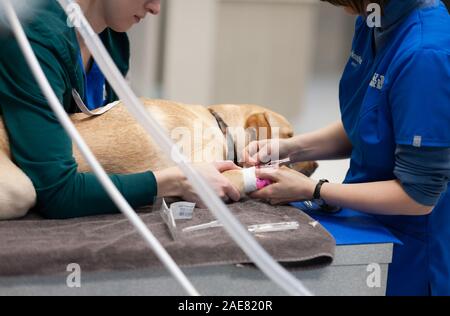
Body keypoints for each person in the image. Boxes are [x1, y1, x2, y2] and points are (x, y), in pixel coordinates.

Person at [243, 0, 450, 295]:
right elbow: (370, 122)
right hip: (363, 221)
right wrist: (290, 148)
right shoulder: (373, 20)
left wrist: (313, 189)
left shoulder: (425, 56)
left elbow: (419, 195)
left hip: (410, 252)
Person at [0, 0, 240, 219]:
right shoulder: (33, 39)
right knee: (18, 195)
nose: (155, 9)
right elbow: (57, 192)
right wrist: (176, 181)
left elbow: (102, 148)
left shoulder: (112, 41)